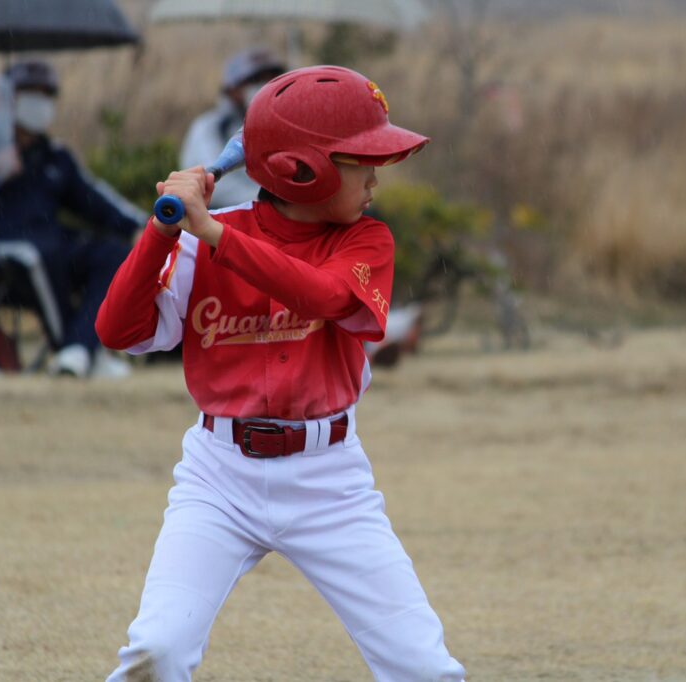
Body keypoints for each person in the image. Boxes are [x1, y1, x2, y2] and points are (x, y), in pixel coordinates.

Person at [96, 66, 466, 681]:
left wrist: (210, 229)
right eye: (360, 161)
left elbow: (324, 296)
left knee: (424, 670)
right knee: (156, 652)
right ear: (302, 170)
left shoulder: (366, 241)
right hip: (219, 475)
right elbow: (118, 331)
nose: (375, 177)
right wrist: (162, 231)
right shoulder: (198, 242)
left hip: (330, 478)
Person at [0, 60, 144, 378]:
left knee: (113, 253)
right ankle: (71, 349)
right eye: (30, 94)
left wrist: (142, 228)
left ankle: (79, 348)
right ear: (9, 99)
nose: (39, 103)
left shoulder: (55, 156)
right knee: (39, 255)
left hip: (52, 242)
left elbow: (94, 202)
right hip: (2, 253)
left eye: (46, 95)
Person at [179, 47, 285, 209]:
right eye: (255, 80)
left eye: (272, 78)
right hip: (222, 223)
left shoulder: (287, 126)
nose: (265, 86)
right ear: (231, 89)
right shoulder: (209, 127)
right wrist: (274, 203)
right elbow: (212, 183)